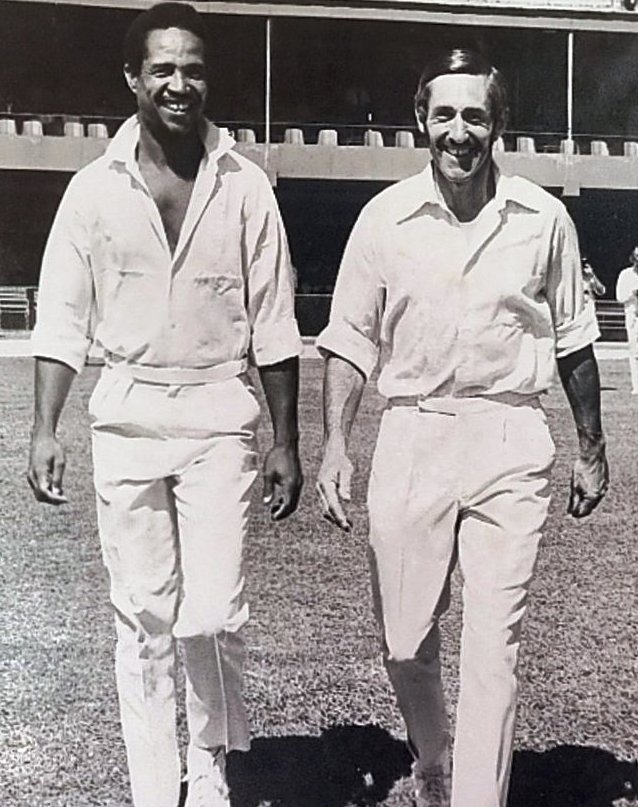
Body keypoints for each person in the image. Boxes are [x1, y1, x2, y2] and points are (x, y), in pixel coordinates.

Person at [316, 48, 608, 807]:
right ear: (421, 120)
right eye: (443, 114)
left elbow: (575, 339)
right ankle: (435, 754)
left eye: (474, 115)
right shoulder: (384, 219)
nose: (458, 131)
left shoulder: (544, 218)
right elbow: (349, 339)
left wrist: (592, 447)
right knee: (406, 638)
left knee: (492, 646)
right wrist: (337, 443)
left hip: (509, 433)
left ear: (497, 123)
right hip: (414, 430)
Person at [27, 4, 303, 807]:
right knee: (143, 615)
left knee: (210, 614)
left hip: (221, 411)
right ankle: (157, 786)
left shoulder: (245, 184)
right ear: (132, 78)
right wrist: (46, 427)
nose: (180, 84)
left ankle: (211, 757)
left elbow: (276, 319)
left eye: (193, 69)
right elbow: (63, 317)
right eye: (163, 69)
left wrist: (285, 438)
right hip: (126, 413)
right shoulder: (91, 190)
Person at [615, 246, 638, 393]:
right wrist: (633, 294)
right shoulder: (626, 275)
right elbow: (620, 297)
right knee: (635, 353)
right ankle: (636, 386)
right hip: (633, 317)